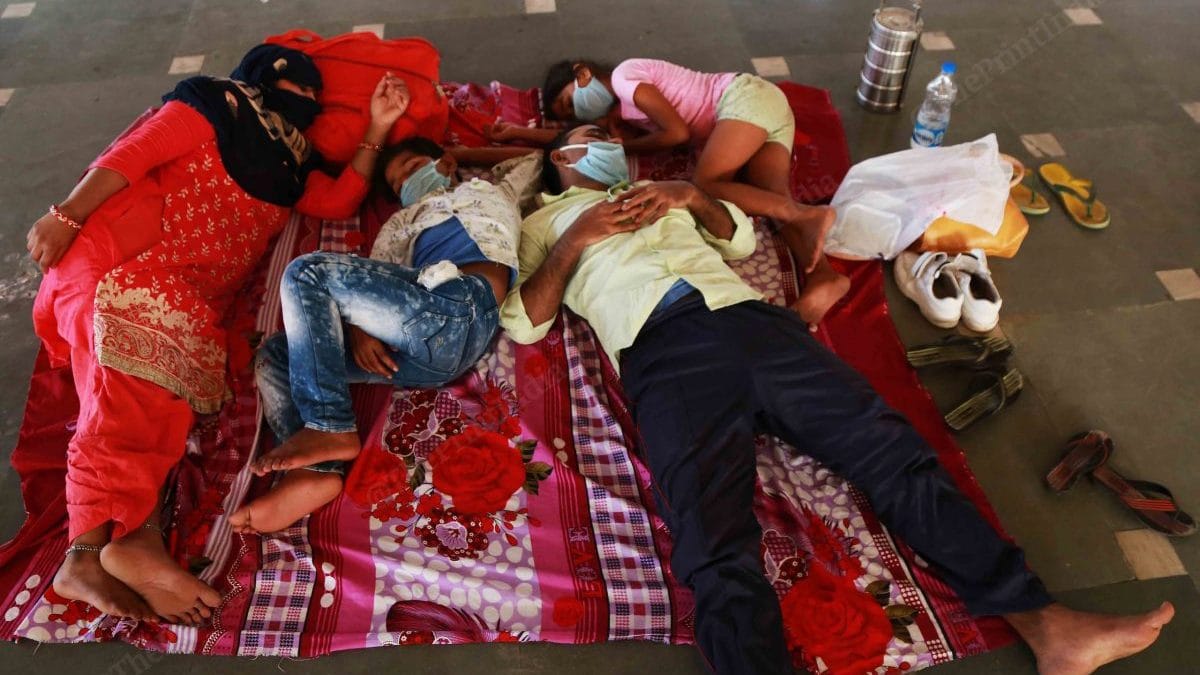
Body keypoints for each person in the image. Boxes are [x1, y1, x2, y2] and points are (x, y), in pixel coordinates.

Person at [498, 124, 1174, 675]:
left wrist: (686, 195)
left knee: (893, 453)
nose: (611, 140)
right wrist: (578, 239)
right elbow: (525, 319)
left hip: (753, 322)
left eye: (614, 133)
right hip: (665, 353)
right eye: (594, 136)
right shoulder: (545, 221)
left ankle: (1046, 623)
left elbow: (735, 236)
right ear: (562, 157)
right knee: (712, 536)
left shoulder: (656, 188)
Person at [25, 44, 409, 626]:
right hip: (132, 257)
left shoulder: (292, 162)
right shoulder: (218, 100)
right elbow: (135, 153)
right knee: (127, 386)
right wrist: (69, 214)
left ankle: (113, 546)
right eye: (302, 90)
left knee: (171, 404)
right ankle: (106, 547)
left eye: (313, 99)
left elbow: (337, 200)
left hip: (193, 292)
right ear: (267, 79)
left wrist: (377, 127)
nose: (307, 105)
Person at [229, 139, 540, 534]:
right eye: (396, 185)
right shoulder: (400, 223)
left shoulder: (491, 189)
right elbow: (371, 283)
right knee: (274, 354)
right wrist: (359, 331)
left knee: (308, 272)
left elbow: (531, 157)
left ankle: (328, 424)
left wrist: (459, 156)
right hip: (420, 353)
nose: (406, 181)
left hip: (463, 303)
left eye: (412, 167)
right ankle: (315, 472)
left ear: (443, 162)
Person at [492, 57, 849, 326]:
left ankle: (809, 213)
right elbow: (562, 147)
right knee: (773, 201)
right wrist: (510, 135)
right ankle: (824, 277)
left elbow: (676, 133)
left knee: (706, 186)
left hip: (745, 99)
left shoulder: (625, 76)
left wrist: (619, 147)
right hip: (756, 117)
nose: (577, 115)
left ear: (582, 73)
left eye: (570, 103)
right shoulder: (622, 116)